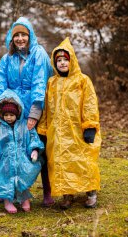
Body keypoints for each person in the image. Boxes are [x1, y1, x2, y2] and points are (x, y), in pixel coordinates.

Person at [0, 16, 55, 206]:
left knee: (37, 149)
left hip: (34, 108)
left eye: (24, 34)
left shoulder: (38, 54)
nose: (20, 39)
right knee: (6, 149)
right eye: (17, 35)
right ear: (11, 38)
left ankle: (47, 191)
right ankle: (4, 189)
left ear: (30, 35)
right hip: (11, 111)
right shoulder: (7, 58)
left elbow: (39, 85)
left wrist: (34, 114)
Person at [37, 37, 101, 209]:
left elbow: (89, 104)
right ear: (54, 63)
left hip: (78, 130)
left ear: (72, 60)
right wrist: (42, 129)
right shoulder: (52, 82)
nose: (63, 63)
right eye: (59, 60)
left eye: (66, 59)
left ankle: (91, 192)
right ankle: (67, 194)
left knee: (83, 160)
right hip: (58, 132)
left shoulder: (82, 80)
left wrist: (90, 126)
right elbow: (47, 107)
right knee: (61, 161)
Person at [0, 89, 44, 213]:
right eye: (6, 115)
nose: (9, 118)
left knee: (22, 178)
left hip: (21, 159)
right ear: (1, 115)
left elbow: (33, 138)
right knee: (6, 180)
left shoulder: (24, 126)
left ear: (17, 113)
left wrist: (34, 150)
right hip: (4, 161)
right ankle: (8, 201)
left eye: (11, 115)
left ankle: (24, 198)